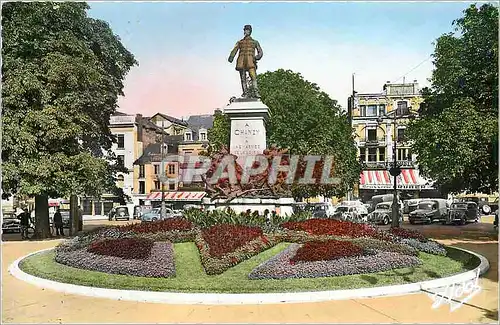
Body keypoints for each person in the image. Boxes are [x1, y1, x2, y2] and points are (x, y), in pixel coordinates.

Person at [228, 24, 264, 98]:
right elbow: (234, 50)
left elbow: (260, 52)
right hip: (241, 61)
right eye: (245, 30)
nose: (246, 31)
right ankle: (245, 92)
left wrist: (256, 57)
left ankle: (256, 92)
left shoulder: (255, 42)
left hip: (251, 61)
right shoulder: (240, 42)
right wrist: (231, 57)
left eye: (248, 30)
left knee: (253, 77)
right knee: (243, 78)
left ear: (250, 31)